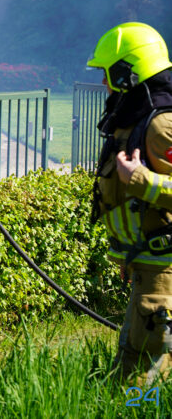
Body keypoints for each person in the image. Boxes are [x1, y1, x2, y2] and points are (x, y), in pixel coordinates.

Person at [88, 22, 172, 384]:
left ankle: (142, 408)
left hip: (163, 271)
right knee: (130, 362)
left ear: (128, 74)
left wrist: (139, 178)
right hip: (146, 265)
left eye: (108, 74)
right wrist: (129, 254)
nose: (104, 83)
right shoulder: (136, 121)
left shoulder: (161, 127)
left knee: (147, 372)